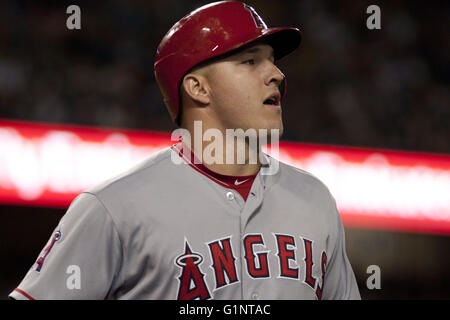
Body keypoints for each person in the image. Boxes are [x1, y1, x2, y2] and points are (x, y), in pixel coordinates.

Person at [9, 1, 360, 300]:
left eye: (272, 60)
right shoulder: (114, 208)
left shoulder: (315, 200)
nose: (277, 74)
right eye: (250, 61)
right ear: (197, 88)